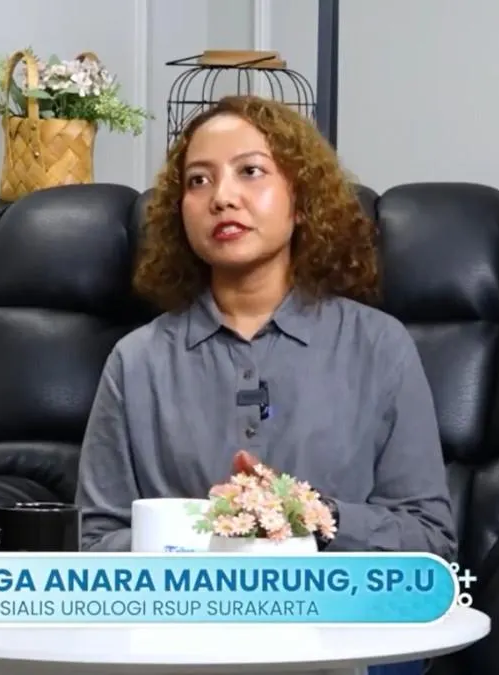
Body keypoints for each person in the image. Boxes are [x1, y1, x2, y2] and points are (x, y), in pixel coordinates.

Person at [75, 95, 456, 563]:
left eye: (250, 171)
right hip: (179, 610)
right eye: (199, 180)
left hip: (337, 609)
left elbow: (431, 542)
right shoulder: (136, 361)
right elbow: (93, 540)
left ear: (301, 200)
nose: (222, 197)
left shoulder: (379, 346)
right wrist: (210, 542)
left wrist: (307, 517)